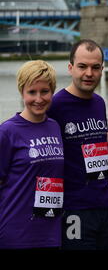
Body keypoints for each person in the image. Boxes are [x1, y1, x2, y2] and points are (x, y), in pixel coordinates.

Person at [47, 39, 108, 250]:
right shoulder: (55, 105)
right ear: (70, 68)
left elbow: (97, 135)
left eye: (95, 67)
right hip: (74, 210)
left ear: (102, 70)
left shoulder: (99, 103)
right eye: (82, 66)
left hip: (106, 205)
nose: (89, 73)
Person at [0, 60, 64, 249]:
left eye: (44, 91)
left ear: (52, 91)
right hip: (16, 235)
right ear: (22, 92)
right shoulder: (7, 131)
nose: (38, 98)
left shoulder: (54, 127)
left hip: (50, 233)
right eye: (32, 92)